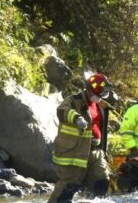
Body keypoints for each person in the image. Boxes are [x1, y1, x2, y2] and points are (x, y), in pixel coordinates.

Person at [48, 73, 116, 203]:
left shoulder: (100, 105)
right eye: (102, 92)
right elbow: (61, 111)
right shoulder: (75, 100)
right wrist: (76, 118)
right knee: (68, 186)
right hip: (75, 152)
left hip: (95, 152)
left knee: (101, 182)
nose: (103, 95)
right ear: (92, 89)